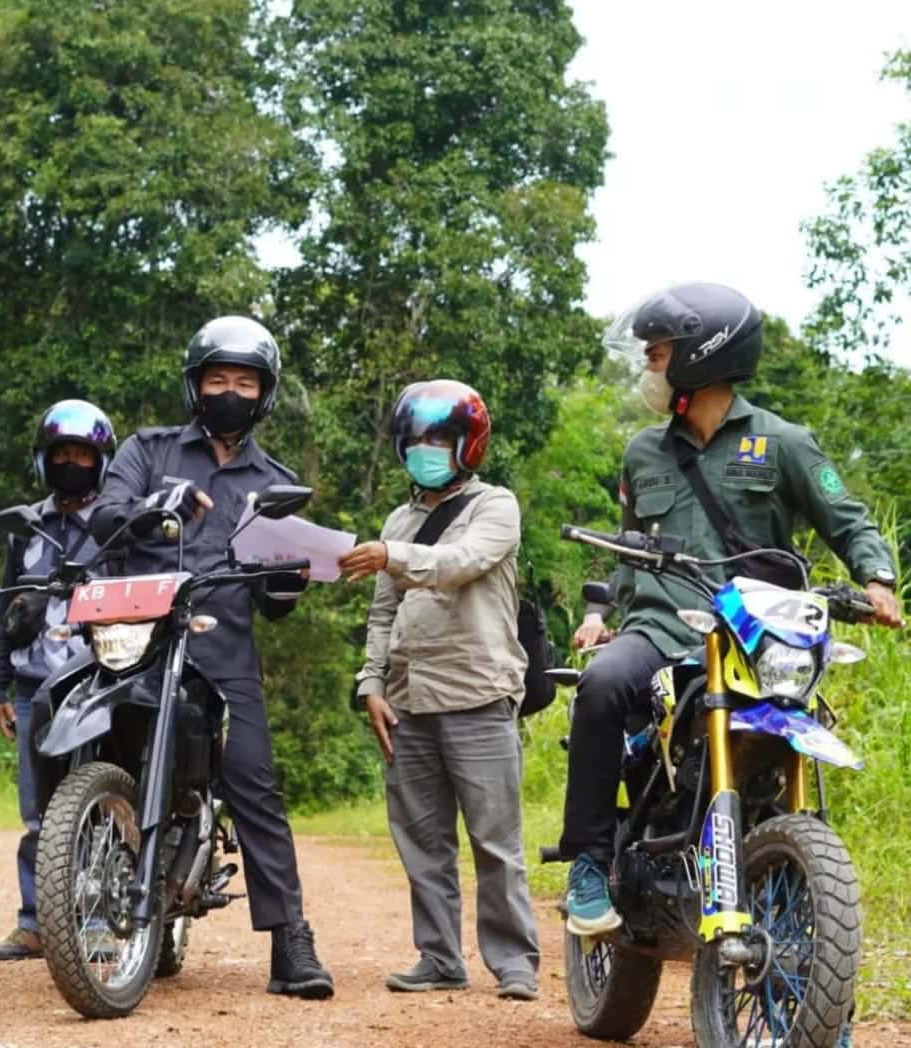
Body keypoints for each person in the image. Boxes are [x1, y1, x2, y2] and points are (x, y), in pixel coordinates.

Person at [559, 282, 904, 936]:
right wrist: (603, 611)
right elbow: (629, 547)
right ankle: (588, 863)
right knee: (602, 686)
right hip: (660, 629)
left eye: (657, 355)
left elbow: (850, 521)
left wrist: (878, 579)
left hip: (754, 636)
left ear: (699, 356)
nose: (649, 369)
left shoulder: (784, 442)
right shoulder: (643, 451)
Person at [86, 315, 333, 999]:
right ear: (195, 385)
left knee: (253, 781)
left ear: (265, 394)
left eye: (244, 382)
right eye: (218, 379)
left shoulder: (274, 480)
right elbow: (104, 519)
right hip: (136, 646)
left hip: (223, 653)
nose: (230, 392)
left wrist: (292, 578)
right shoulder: (149, 450)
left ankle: (292, 941)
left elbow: (278, 604)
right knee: (84, 743)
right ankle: (68, 892)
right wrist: (155, 505)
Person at [340, 379, 541, 1002]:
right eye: (417, 440)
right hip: (408, 700)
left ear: (467, 446)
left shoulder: (495, 507)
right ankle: (438, 957)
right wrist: (370, 683)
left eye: (440, 439)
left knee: (494, 841)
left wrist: (390, 554)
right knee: (423, 842)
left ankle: (514, 963)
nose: (426, 450)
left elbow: (458, 564)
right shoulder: (398, 520)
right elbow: (381, 615)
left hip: (477, 693)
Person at [0, 399, 117, 961]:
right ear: (43, 460)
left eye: (82, 454)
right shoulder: (27, 529)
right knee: (38, 812)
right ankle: (36, 919)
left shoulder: (117, 525)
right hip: (31, 687)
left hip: (99, 684)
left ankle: (99, 923)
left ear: (101, 461)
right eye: (61, 453)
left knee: (97, 804)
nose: (71, 463)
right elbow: (4, 613)